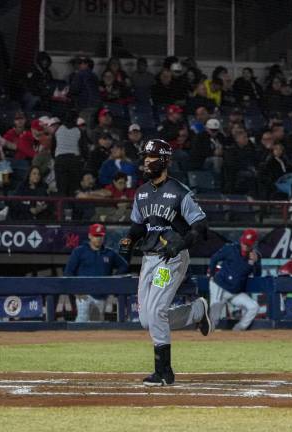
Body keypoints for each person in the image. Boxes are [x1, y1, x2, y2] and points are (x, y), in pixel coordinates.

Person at [119, 139, 212, 387]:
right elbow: (139, 225)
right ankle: (196, 311)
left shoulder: (180, 192)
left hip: (169, 259)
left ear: (165, 160)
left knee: (158, 310)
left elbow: (200, 226)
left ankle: (164, 372)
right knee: (147, 320)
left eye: (152, 157)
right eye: (145, 157)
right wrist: (129, 238)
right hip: (149, 259)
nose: (147, 161)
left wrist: (179, 245)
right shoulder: (141, 193)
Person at [64, 223, 129, 322]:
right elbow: (68, 272)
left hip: (101, 294)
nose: (98, 238)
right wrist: (76, 291)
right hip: (83, 294)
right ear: (90, 236)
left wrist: (114, 278)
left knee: (97, 324)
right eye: (96, 236)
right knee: (82, 320)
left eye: (100, 236)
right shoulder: (79, 251)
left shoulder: (109, 253)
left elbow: (124, 265)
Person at [208, 229, 262, 331]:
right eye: (244, 243)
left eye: (248, 244)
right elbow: (214, 258)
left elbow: (257, 275)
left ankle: (238, 330)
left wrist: (256, 263)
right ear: (241, 240)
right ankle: (207, 335)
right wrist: (211, 274)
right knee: (214, 315)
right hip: (220, 286)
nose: (245, 245)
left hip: (235, 292)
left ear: (254, 244)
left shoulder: (255, 256)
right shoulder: (231, 249)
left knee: (254, 307)